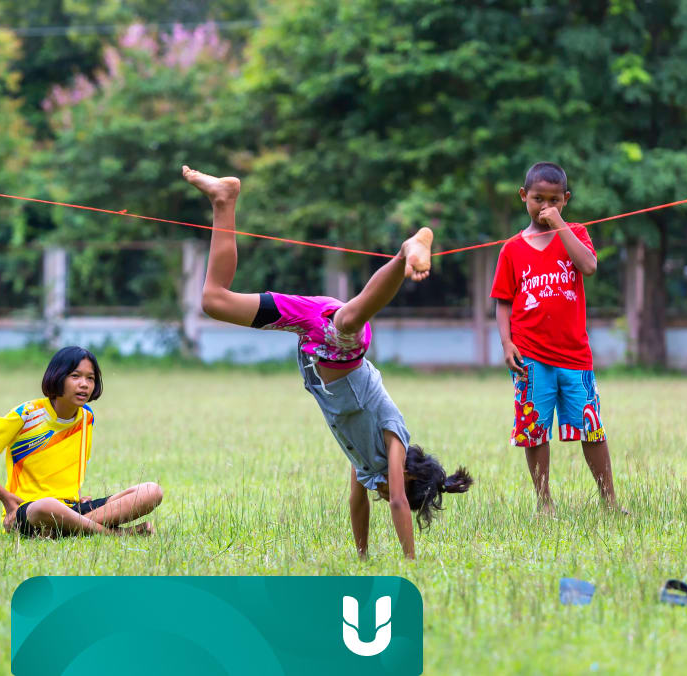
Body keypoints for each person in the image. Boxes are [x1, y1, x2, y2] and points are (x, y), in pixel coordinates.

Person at [181, 165, 471, 560]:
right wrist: (410, 562)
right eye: (393, 489)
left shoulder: (366, 462)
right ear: (408, 474)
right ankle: (407, 250)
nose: (384, 494)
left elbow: (357, 502)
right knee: (351, 318)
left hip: (311, 334)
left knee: (214, 301)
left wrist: (362, 556)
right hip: (340, 346)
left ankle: (223, 200)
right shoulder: (396, 443)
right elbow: (399, 502)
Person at [490, 161, 623, 516]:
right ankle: (544, 501)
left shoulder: (575, 233)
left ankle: (609, 502)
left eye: (554, 200)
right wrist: (506, 343)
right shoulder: (512, 249)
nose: (545, 206)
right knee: (534, 431)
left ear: (566, 200)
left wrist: (560, 225)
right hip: (530, 357)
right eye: (538, 199)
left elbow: (589, 266)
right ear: (523, 196)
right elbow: (502, 302)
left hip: (575, 355)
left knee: (591, 428)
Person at [0, 346, 162, 537]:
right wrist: (4, 496)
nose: (84, 384)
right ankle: (115, 534)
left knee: (151, 491)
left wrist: (76, 496)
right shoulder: (27, 414)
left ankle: (65, 529)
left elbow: (74, 465)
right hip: (30, 511)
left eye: (90, 378)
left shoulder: (87, 417)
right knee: (46, 505)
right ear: (57, 376)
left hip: (72, 508)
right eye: (75, 376)